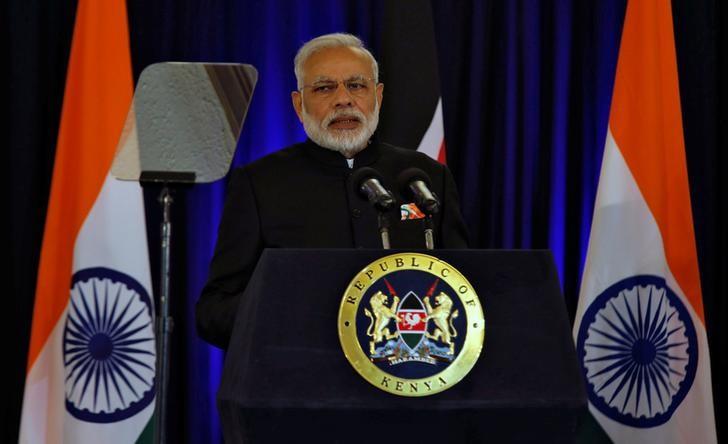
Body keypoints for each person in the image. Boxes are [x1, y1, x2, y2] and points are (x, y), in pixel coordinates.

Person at [196, 33, 469, 349]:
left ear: (377, 96)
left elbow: (466, 286)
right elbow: (214, 312)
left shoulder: (426, 177)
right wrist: (290, 311)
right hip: (302, 380)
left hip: (410, 376)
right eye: (325, 88)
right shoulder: (259, 183)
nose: (343, 99)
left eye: (356, 85)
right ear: (299, 105)